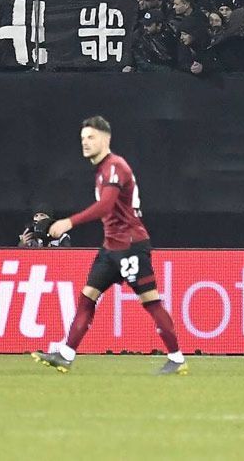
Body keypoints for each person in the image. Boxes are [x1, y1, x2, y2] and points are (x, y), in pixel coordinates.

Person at [32, 116, 187, 375]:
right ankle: (66, 354)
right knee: (87, 297)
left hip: (131, 246)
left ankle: (177, 358)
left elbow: (105, 206)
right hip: (110, 248)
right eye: (83, 138)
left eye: (91, 137)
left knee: (151, 302)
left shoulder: (115, 166)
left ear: (106, 139)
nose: (85, 143)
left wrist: (70, 221)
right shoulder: (103, 170)